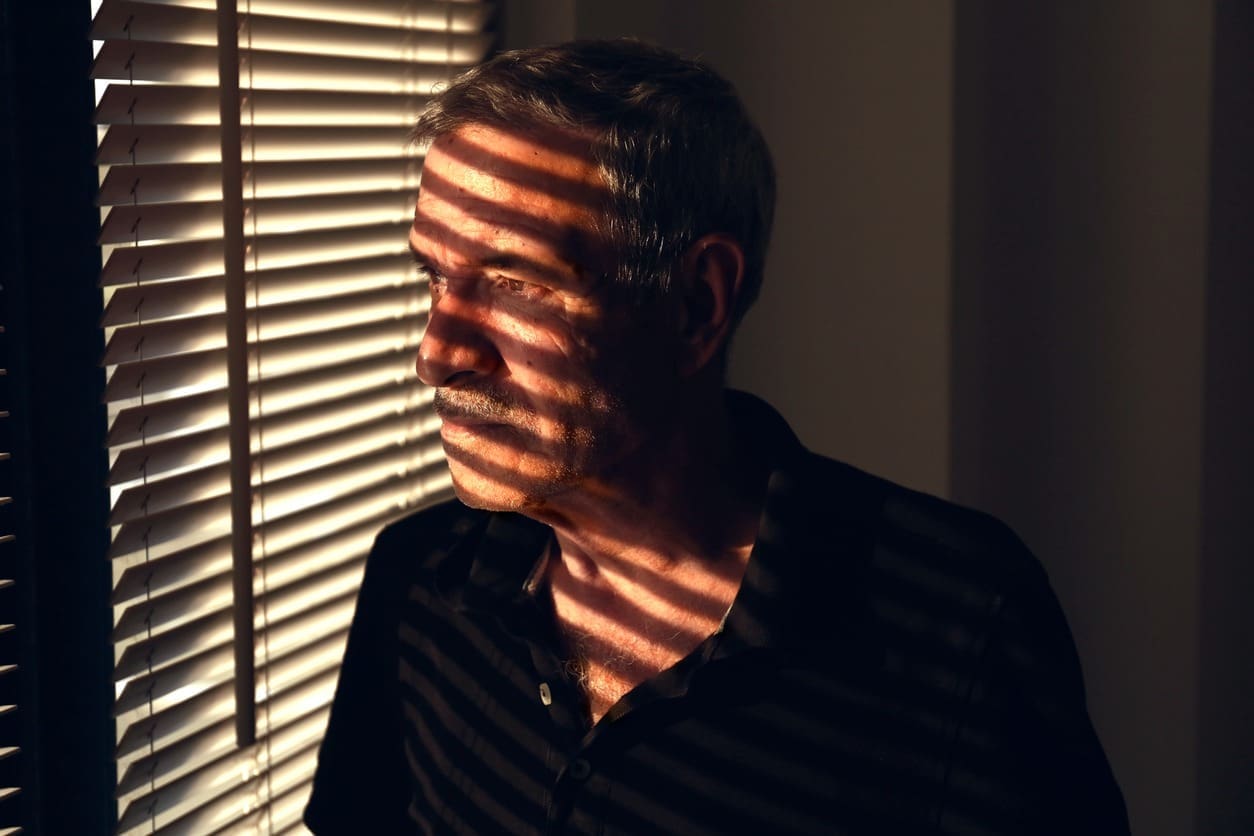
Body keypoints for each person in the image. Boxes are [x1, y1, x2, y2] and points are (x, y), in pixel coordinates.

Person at [305, 39, 1128, 835]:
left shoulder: (953, 621)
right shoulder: (418, 584)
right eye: (436, 278)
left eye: (516, 283)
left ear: (697, 303)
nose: (435, 354)